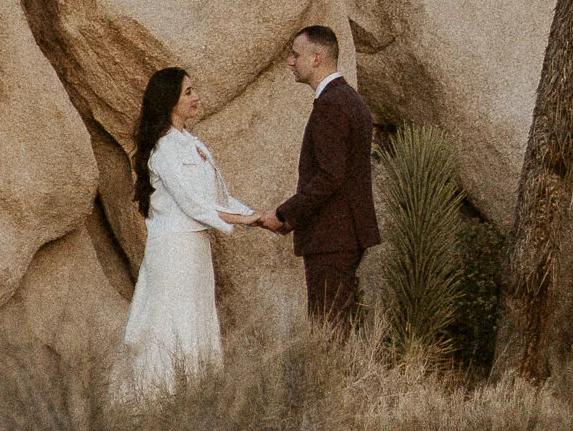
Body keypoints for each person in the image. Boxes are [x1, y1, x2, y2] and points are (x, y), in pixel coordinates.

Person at [118, 62, 260, 391]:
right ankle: (157, 403)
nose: (196, 98)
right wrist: (244, 220)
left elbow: (217, 196)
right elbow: (192, 203)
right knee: (170, 323)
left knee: (196, 319)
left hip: (195, 250)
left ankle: (195, 398)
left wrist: (256, 216)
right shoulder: (164, 150)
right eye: (188, 92)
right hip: (173, 251)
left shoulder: (192, 144)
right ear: (171, 102)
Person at [253, 23, 379, 328]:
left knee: (328, 331)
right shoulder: (350, 100)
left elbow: (329, 177)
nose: (290, 61)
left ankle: (332, 378)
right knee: (336, 326)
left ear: (317, 58)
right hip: (342, 235)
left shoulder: (332, 105)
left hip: (332, 237)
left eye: (296, 55)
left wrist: (284, 213)